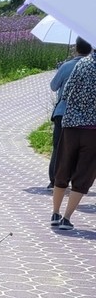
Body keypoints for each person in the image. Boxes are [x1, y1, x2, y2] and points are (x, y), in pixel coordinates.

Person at [50, 47, 96, 231]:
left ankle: (55, 212)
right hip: (93, 131)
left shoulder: (82, 64)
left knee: (63, 167)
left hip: (71, 126)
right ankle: (67, 217)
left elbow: (66, 91)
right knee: (83, 174)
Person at [46, 37, 92, 190]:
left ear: (76, 48)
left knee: (59, 147)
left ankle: (55, 180)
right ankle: (75, 180)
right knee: (79, 149)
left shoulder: (67, 66)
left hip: (62, 112)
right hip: (86, 117)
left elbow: (54, 86)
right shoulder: (92, 66)